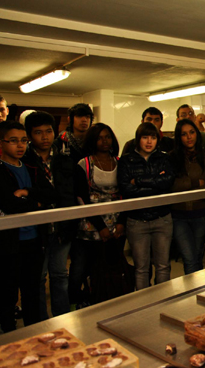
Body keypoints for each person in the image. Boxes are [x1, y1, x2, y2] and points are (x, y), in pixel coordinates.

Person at [22, 111, 90, 319]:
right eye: (38, 133)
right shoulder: (25, 161)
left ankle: (62, 320)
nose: (44, 137)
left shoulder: (65, 160)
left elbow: (75, 193)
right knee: (39, 278)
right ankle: (40, 322)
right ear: (30, 135)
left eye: (49, 131)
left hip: (63, 227)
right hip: (37, 230)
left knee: (60, 275)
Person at [0, 121, 50, 332]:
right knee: (6, 295)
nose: (20, 146)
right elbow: (10, 205)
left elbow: (50, 194)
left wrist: (28, 194)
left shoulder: (31, 166)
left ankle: (34, 335)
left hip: (33, 240)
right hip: (6, 244)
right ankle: (7, 339)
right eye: (13, 141)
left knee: (32, 292)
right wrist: (36, 202)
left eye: (24, 141)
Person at [70, 123, 125, 308]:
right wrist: (100, 226)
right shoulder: (84, 164)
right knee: (82, 268)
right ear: (93, 139)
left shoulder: (119, 162)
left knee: (109, 267)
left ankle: (107, 299)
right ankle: (78, 302)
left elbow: (125, 195)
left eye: (108, 137)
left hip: (115, 224)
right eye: (100, 137)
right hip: (90, 225)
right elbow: (82, 197)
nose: (105, 141)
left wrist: (120, 223)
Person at [118, 122, 175, 290]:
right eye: (145, 137)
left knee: (163, 266)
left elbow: (168, 183)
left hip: (162, 218)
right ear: (138, 139)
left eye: (153, 137)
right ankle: (144, 307)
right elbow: (126, 189)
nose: (149, 142)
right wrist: (155, 183)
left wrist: (139, 181)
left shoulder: (164, 158)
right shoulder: (126, 160)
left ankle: (163, 301)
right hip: (137, 220)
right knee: (141, 268)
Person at [169, 119, 205, 274]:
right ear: (179, 138)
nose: (189, 137)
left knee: (198, 258)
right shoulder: (172, 158)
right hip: (179, 216)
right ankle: (193, 294)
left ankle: (197, 292)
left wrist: (186, 183)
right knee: (189, 258)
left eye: (192, 132)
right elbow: (172, 185)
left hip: (201, 214)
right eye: (184, 134)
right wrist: (194, 182)